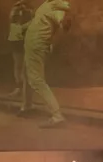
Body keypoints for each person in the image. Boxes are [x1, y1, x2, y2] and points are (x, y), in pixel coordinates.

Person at [19, 0, 69, 128]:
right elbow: (40, 20)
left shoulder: (58, 6)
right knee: (26, 75)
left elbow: (64, 25)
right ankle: (27, 106)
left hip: (37, 45)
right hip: (32, 45)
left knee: (36, 80)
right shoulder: (48, 4)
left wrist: (51, 42)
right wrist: (24, 27)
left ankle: (57, 116)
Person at [7, 0, 33, 97]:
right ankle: (19, 88)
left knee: (25, 67)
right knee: (18, 66)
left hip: (26, 41)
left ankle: (25, 89)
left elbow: (31, 24)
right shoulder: (15, 10)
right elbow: (13, 23)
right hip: (17, 41)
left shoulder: (29, 11)